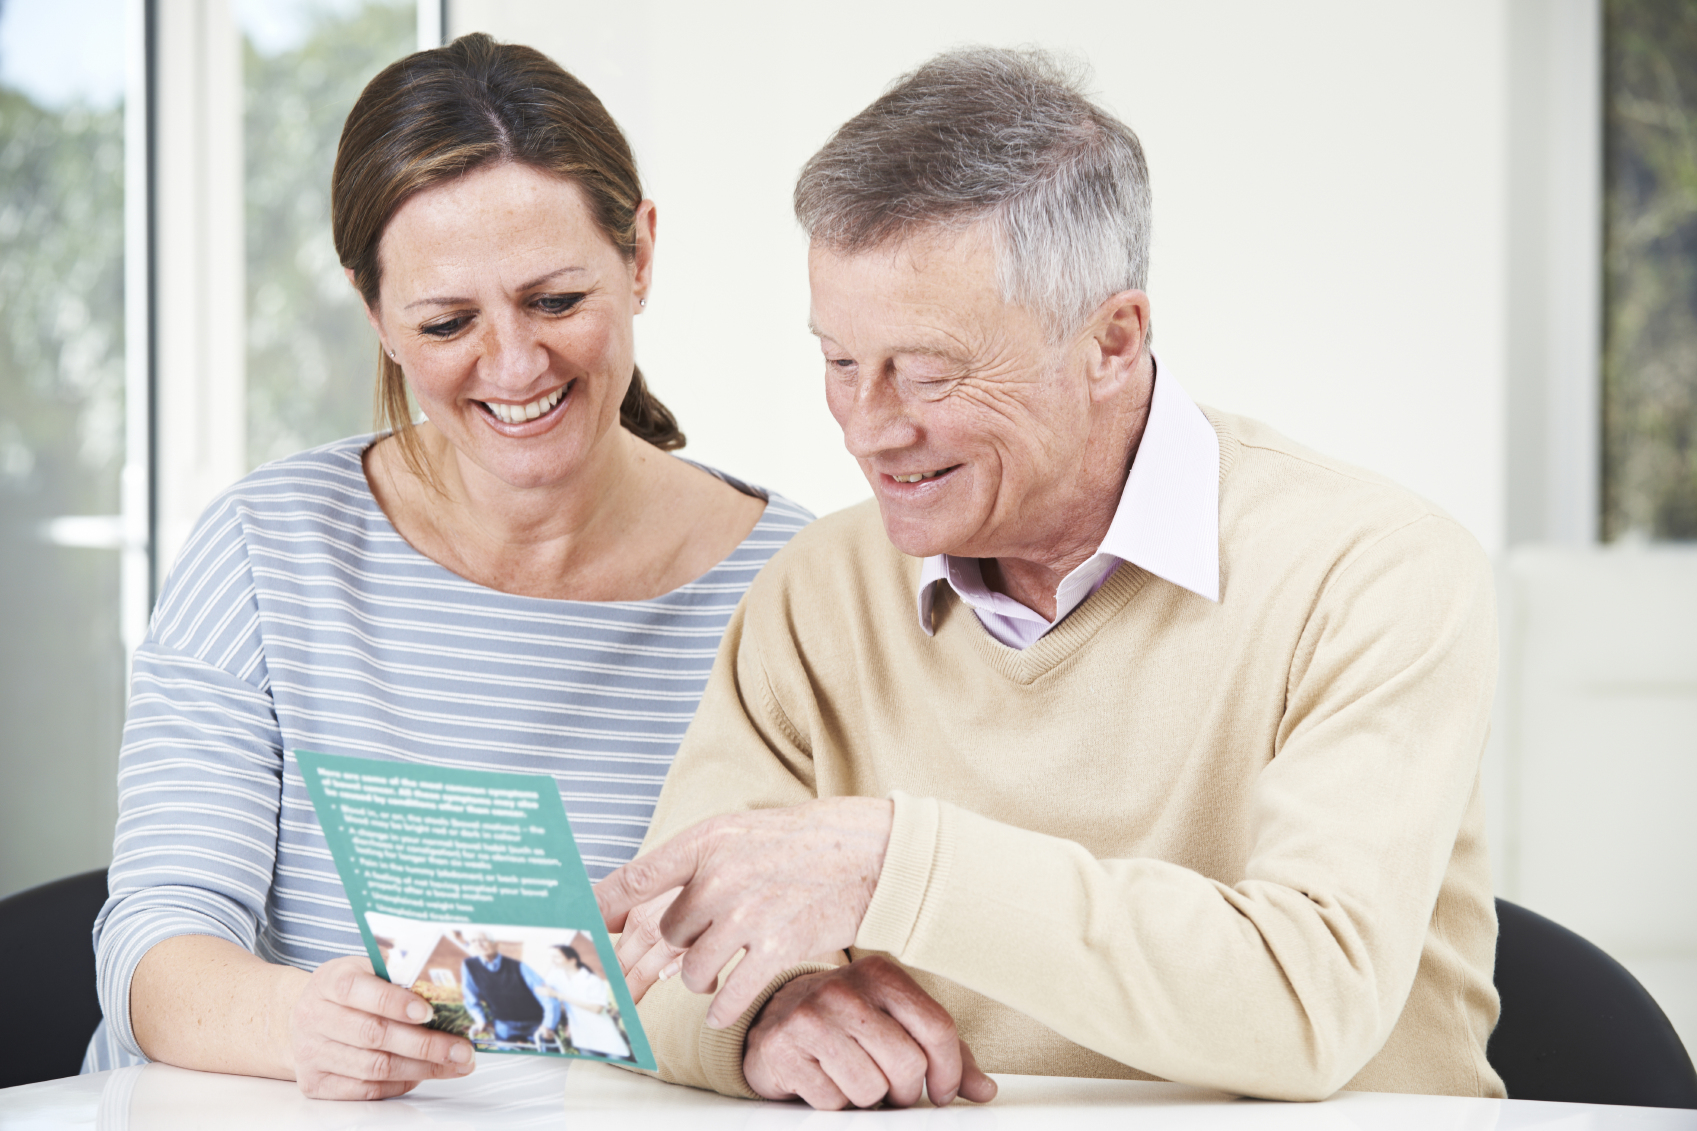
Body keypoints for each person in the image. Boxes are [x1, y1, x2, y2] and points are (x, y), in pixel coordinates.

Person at [598, 48, 1502, 1111]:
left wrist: (900, 865)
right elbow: (648, 954)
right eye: (840, 362)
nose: (870, 427)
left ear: (1112, 340)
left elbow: (1308, 1002)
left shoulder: (1372, 574)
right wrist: (762, 1020)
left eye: (929, 373)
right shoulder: (816, 592)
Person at [85, 34, 810, 1100]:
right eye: (446, 321)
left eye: (556, 301)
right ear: (374, 312)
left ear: (641, 256)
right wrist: (299, 1022)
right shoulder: (265, 548)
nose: (515, 365)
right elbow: (153, 937)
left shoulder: (793, 585)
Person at [458, 932, 558, 1046]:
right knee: (506, 1059)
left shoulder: (517, 966)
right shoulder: (469, 966)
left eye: (483, 940)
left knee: (548, 1056)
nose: (479, 945)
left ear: (496, 944)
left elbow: (547, 995)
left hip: (535, 1021)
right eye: (474, 941)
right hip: (504, 1023)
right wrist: (480, 1020)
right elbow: (470, 996)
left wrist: (548, 1025)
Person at [538, 944, 633, 1060]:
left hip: (604, 1037)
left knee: (618, 1071)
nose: (553, 960)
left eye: (556, 957)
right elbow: (542, 988)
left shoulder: (592, 980)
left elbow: (596, 1008)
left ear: (572, 960)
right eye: (551, 957)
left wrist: (559, 995)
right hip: (581, 1037)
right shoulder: (558, 979)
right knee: (592, 1073)